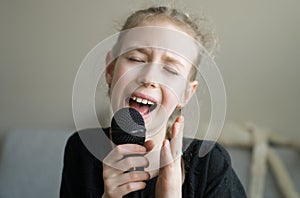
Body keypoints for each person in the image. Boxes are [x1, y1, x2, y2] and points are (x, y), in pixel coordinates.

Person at [60, 6, 247, 198]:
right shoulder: (82, 149)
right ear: (110, 70)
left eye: (171, 70)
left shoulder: (211, 164)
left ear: (185, 94)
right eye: (136, 58)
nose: (149, 77)